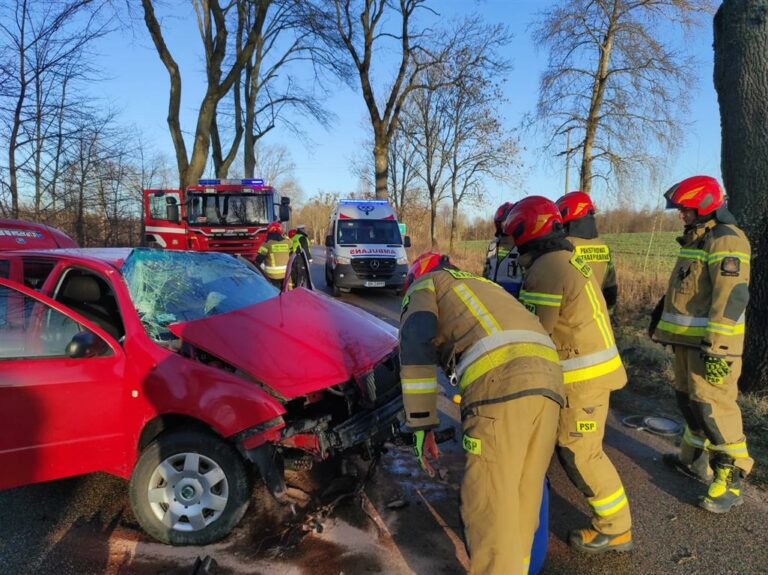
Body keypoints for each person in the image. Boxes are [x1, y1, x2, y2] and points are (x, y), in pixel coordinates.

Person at [399, 252, 565, 574]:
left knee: (489, 507)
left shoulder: (424, 285)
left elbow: (416, 348)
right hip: (551, 383)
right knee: (522, 497)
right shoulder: (481, 284)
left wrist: (422, 425)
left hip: (501, 387)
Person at [504, 196, 633, 554]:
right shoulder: (565, 258)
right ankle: (615, 524)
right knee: (574, 449)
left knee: (580, 453)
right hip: (586, 372)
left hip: (583, 379)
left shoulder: (547, 268)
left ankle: (616, 528)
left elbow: (535, 334)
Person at [649, 175, 752, 513]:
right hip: (688, 343)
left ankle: (730, 477)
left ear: (706, 206)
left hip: (712, 347)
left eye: (686, 209)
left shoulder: (726, 241)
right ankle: (692, 459)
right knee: (687, 399)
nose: (681, 215)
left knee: (714, 408)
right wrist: (659, 320)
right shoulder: (697, 239)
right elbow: (686, 290)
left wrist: (718, 348)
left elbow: (731, 298)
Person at [556, 191, 618, 311]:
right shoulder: (603, 246)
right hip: (597, 317)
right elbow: (611, 288)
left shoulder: (564, 245)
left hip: (570, 318)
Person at [483, 201, 524, 298]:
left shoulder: (521, 247)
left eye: (507, 220)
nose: (504, 224)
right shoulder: (492, 245)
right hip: (490, 293)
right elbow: (486, 271)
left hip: (513, 298)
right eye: (502, 221)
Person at [255, 222, 292, 288]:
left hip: (272, 276)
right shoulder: (287, 243)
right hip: (286, 275)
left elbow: (258, 260)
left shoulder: (266, 244)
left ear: (269, 231)